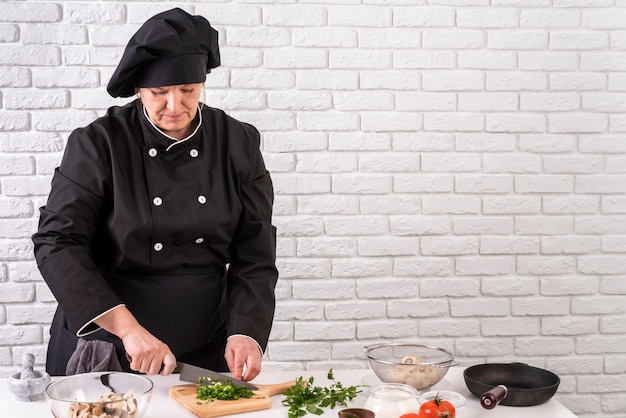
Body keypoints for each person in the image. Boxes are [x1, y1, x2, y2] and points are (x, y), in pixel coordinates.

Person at [32, 8, 278, 381]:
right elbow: (57, 242)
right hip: (112, 343)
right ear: (137, 89)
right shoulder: (99, 144)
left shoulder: (238, 143)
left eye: (188, 90)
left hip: (206, 347)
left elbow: (255, 251)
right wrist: (128, 330)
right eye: (159, 92)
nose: (175, 106)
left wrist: (246, 331)